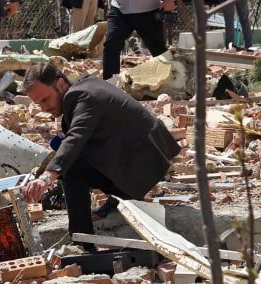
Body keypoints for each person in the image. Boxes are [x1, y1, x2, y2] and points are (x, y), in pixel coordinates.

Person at [21, 61, 181, 236]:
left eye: (45, 99)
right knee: (74, 156)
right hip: (144, 159)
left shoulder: (82, 95)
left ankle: (82, 240)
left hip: (144, 165)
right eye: (39, 104)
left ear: (60, 84)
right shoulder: (86, 85)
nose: (44, 108)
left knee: (71, 166)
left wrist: (46, 178)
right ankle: (118, 200)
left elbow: (76, 137)